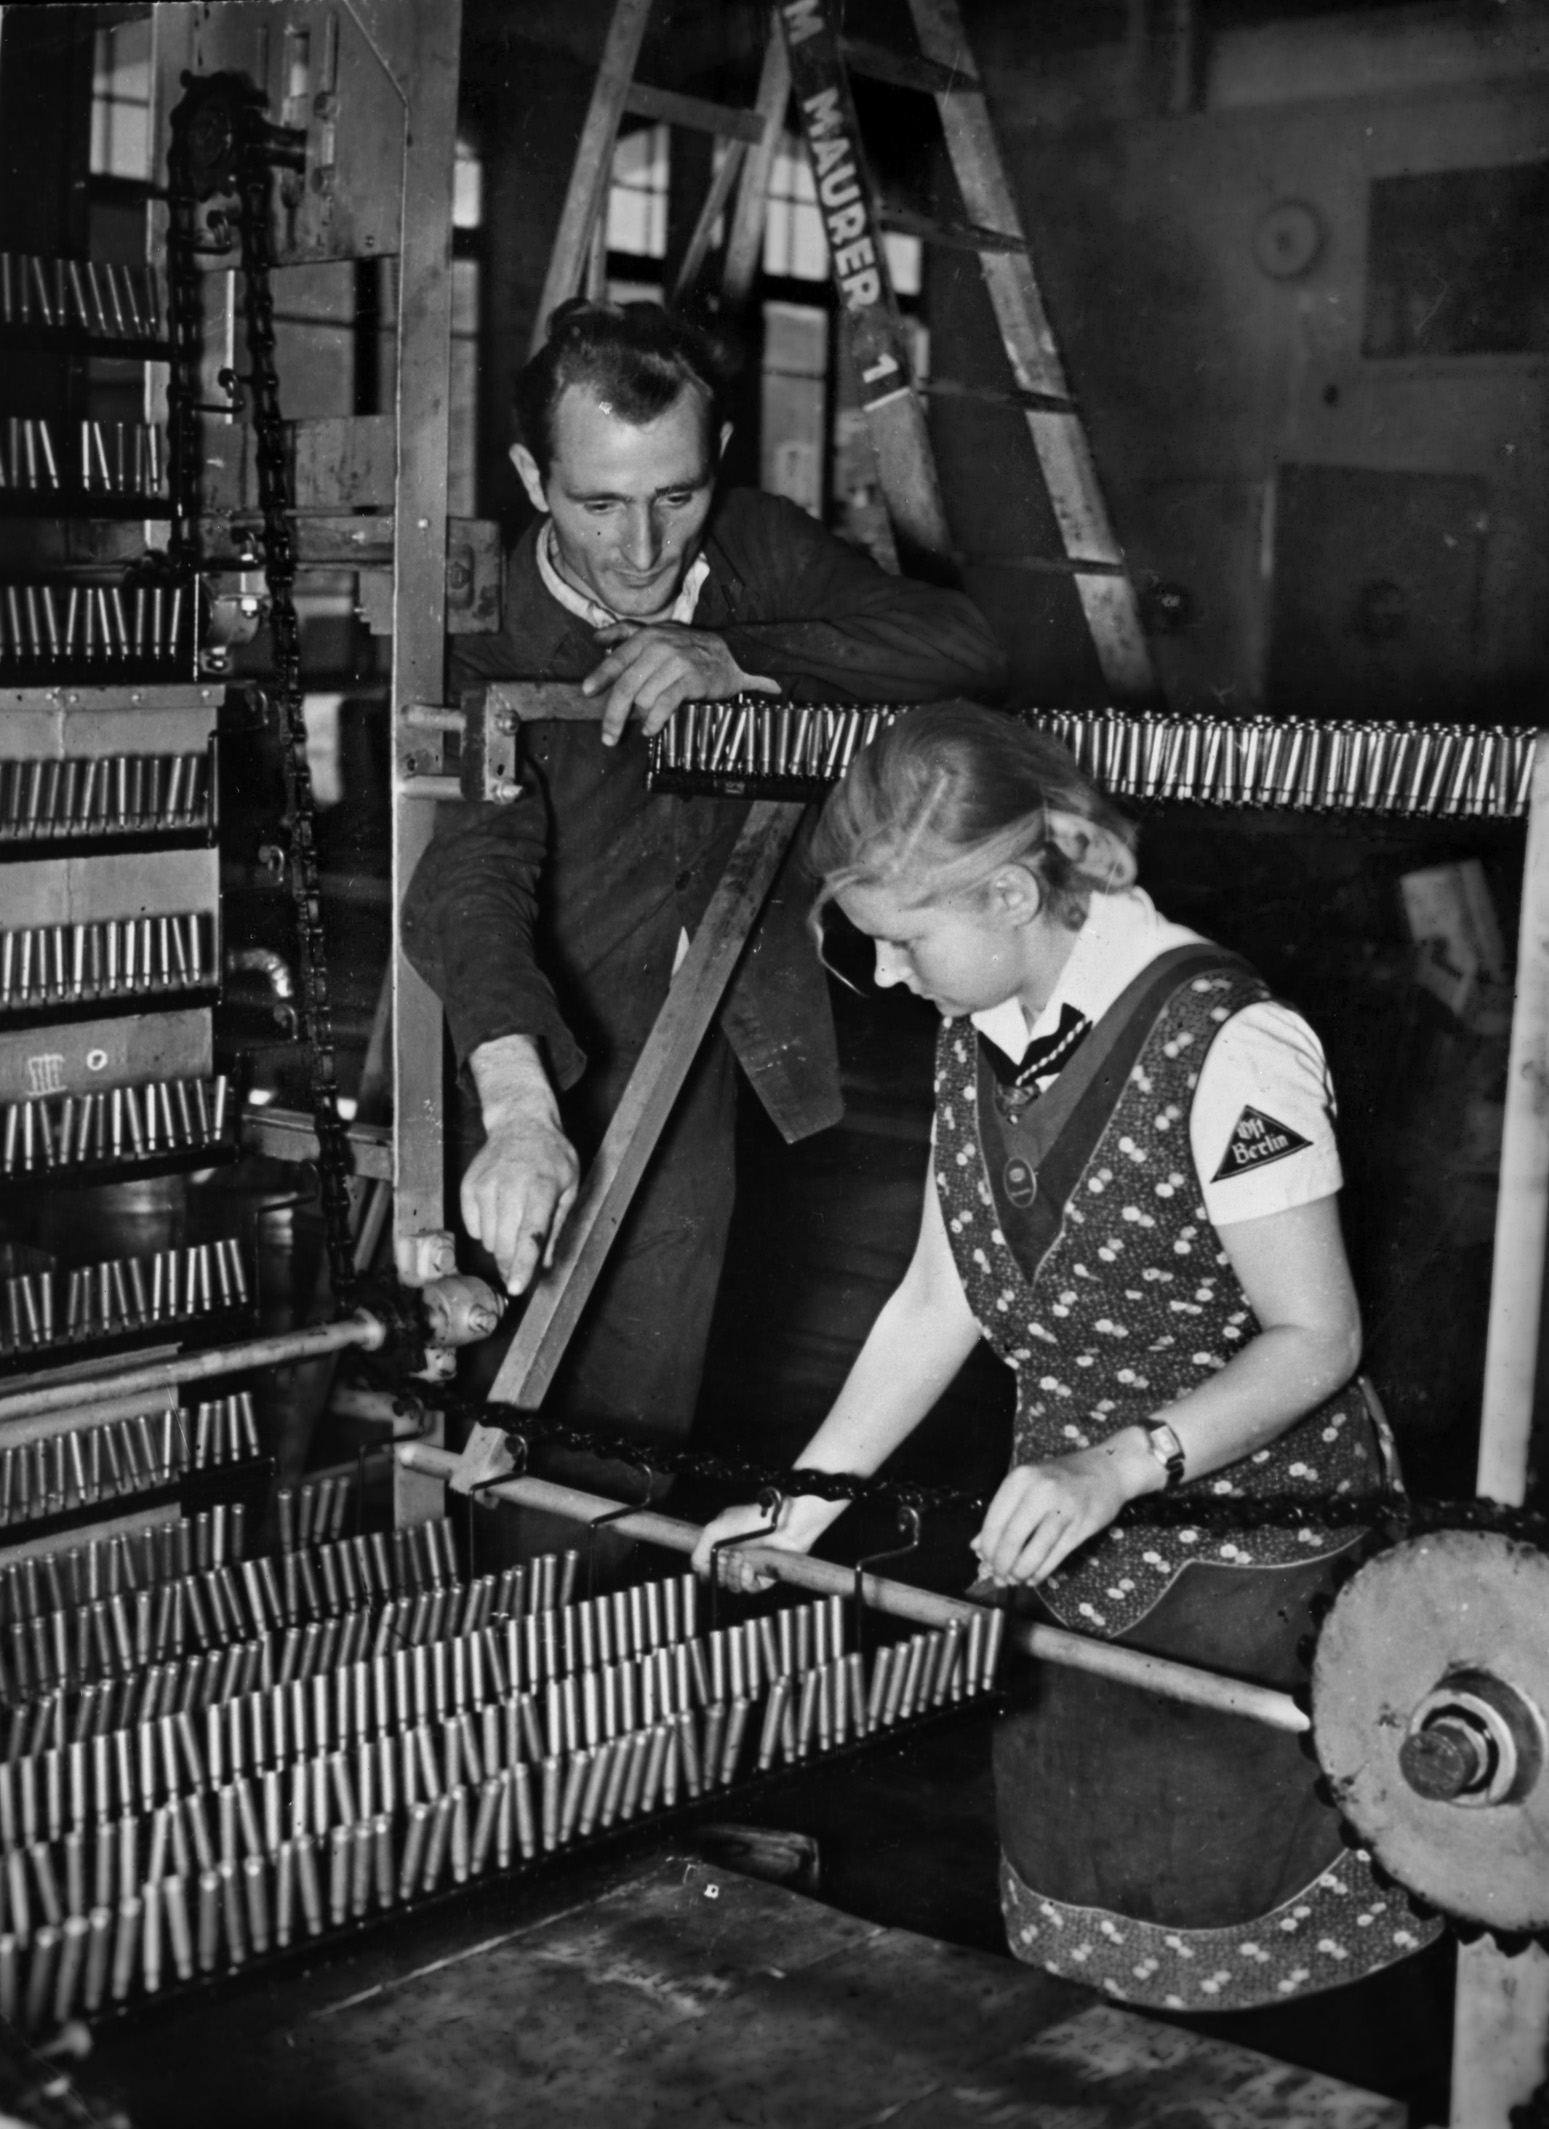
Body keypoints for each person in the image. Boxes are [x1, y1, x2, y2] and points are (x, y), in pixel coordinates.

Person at [693, 702, 1441, 2011]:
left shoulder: (1232, 1048)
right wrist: (802, 1508)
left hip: (1250, 1573)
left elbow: (1317, 1335)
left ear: (1009, 887)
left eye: (907, 942)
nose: (894, 977)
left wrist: (1117, 1466)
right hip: (1072, 1554)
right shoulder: (972, 1029)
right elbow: (941, 1297)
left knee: (1247, 1994)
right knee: (1085, 1968)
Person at [400, 302, 1006, 1480]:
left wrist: (747, 660)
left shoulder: (754, 549)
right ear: (532, 475)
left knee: (631, 1424)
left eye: (672, 497)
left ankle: (580, 1639)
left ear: (714, 461)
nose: (641, 548)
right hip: (505, 1035)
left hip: (690, 1059)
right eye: (598, 503)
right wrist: (520, 1108)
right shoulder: (479, 623)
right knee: (451, 1397)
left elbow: (963, 643)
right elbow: (473, 873)